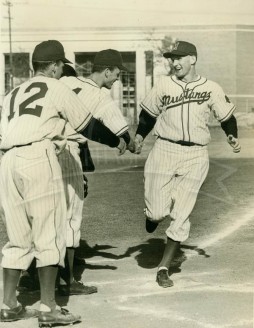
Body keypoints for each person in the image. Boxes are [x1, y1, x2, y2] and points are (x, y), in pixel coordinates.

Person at [0, 39, 128, 325]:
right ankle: (48, 309)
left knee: (18, 238)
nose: (62, 70)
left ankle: (8, 305)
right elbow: (87, 126)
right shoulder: (58, 87)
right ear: (55, 65)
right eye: (61, 65)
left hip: (7, 160)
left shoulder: (13, 92)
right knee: (50, 233)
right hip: (39, 154)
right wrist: (117, 139)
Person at [133, 40, 241, 288]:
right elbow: (148, 114)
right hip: (164, 149)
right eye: (172, 58)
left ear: (192, 59)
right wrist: (139, 135)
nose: (174, 62)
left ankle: (163, 268)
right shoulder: (163, 85)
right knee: (157, 212)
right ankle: (152, 216)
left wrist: (231, 134)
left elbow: (226, 116)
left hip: (196, 155)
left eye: (179, 57)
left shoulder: (211, 87)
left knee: (181, 214)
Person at [56, 56, 134, 296]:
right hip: (67, 150)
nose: (118, 78)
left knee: (46, 216)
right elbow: (121, 133)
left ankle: (34, 276)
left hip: (41, 150)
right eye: (117, 73)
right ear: (107, 71)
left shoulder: (67, 81)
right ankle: (67, 281)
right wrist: (131, 143)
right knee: (70, 220)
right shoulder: (100, 96)